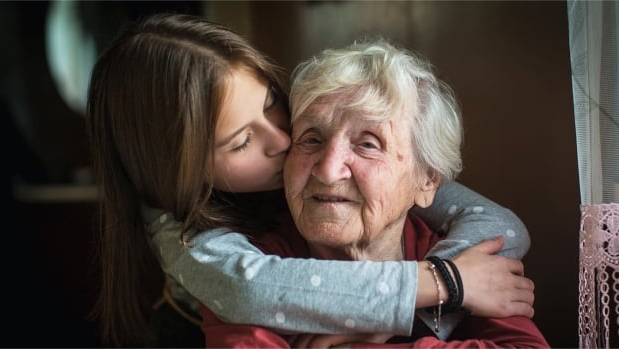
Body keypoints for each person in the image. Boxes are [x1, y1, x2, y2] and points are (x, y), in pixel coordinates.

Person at [86, 13, 534, 348]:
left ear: (426, 178)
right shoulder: (199, 243)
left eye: (271, 106)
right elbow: (250, 290)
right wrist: (444, 286)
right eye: (242, 141)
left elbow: (500, 224)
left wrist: (434, 300)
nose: (285, 140)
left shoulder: (427, 222)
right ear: (180, 172)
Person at [200, 38, 548, 347]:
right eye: (311, 139)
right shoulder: (254, 268)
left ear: (427, 181)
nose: (328, 168)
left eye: (368, 144)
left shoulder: (463, 257)